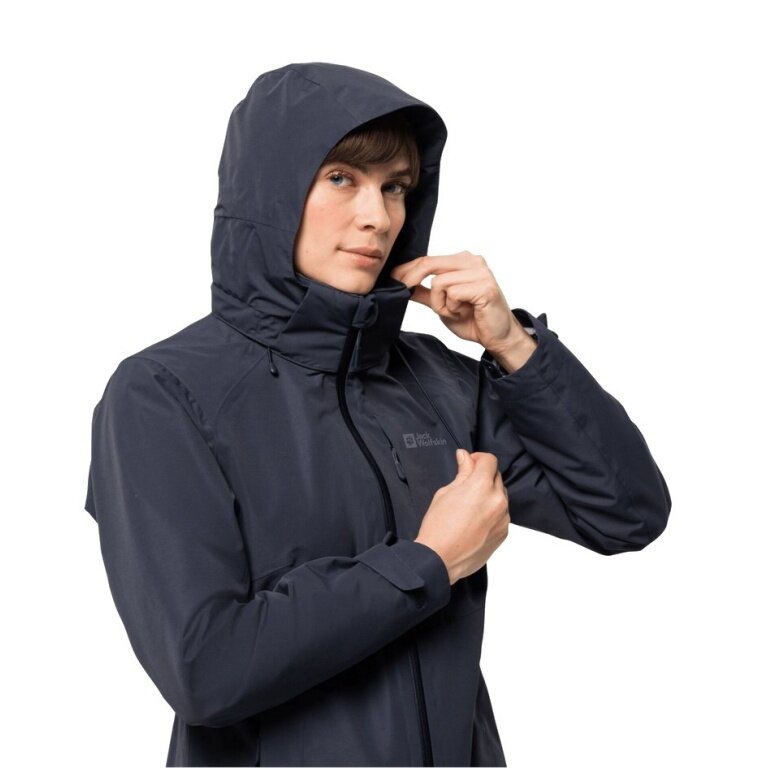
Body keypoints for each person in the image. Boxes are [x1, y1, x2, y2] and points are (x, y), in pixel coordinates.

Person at [84, 62, 671, 767]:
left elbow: (625, 513)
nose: (379, 217)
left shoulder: (438, 382)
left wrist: (514, 346)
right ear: (269, 191)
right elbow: (206, 669)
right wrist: (430, 562)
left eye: (396, 186)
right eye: (342, 178)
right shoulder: (164, 395)